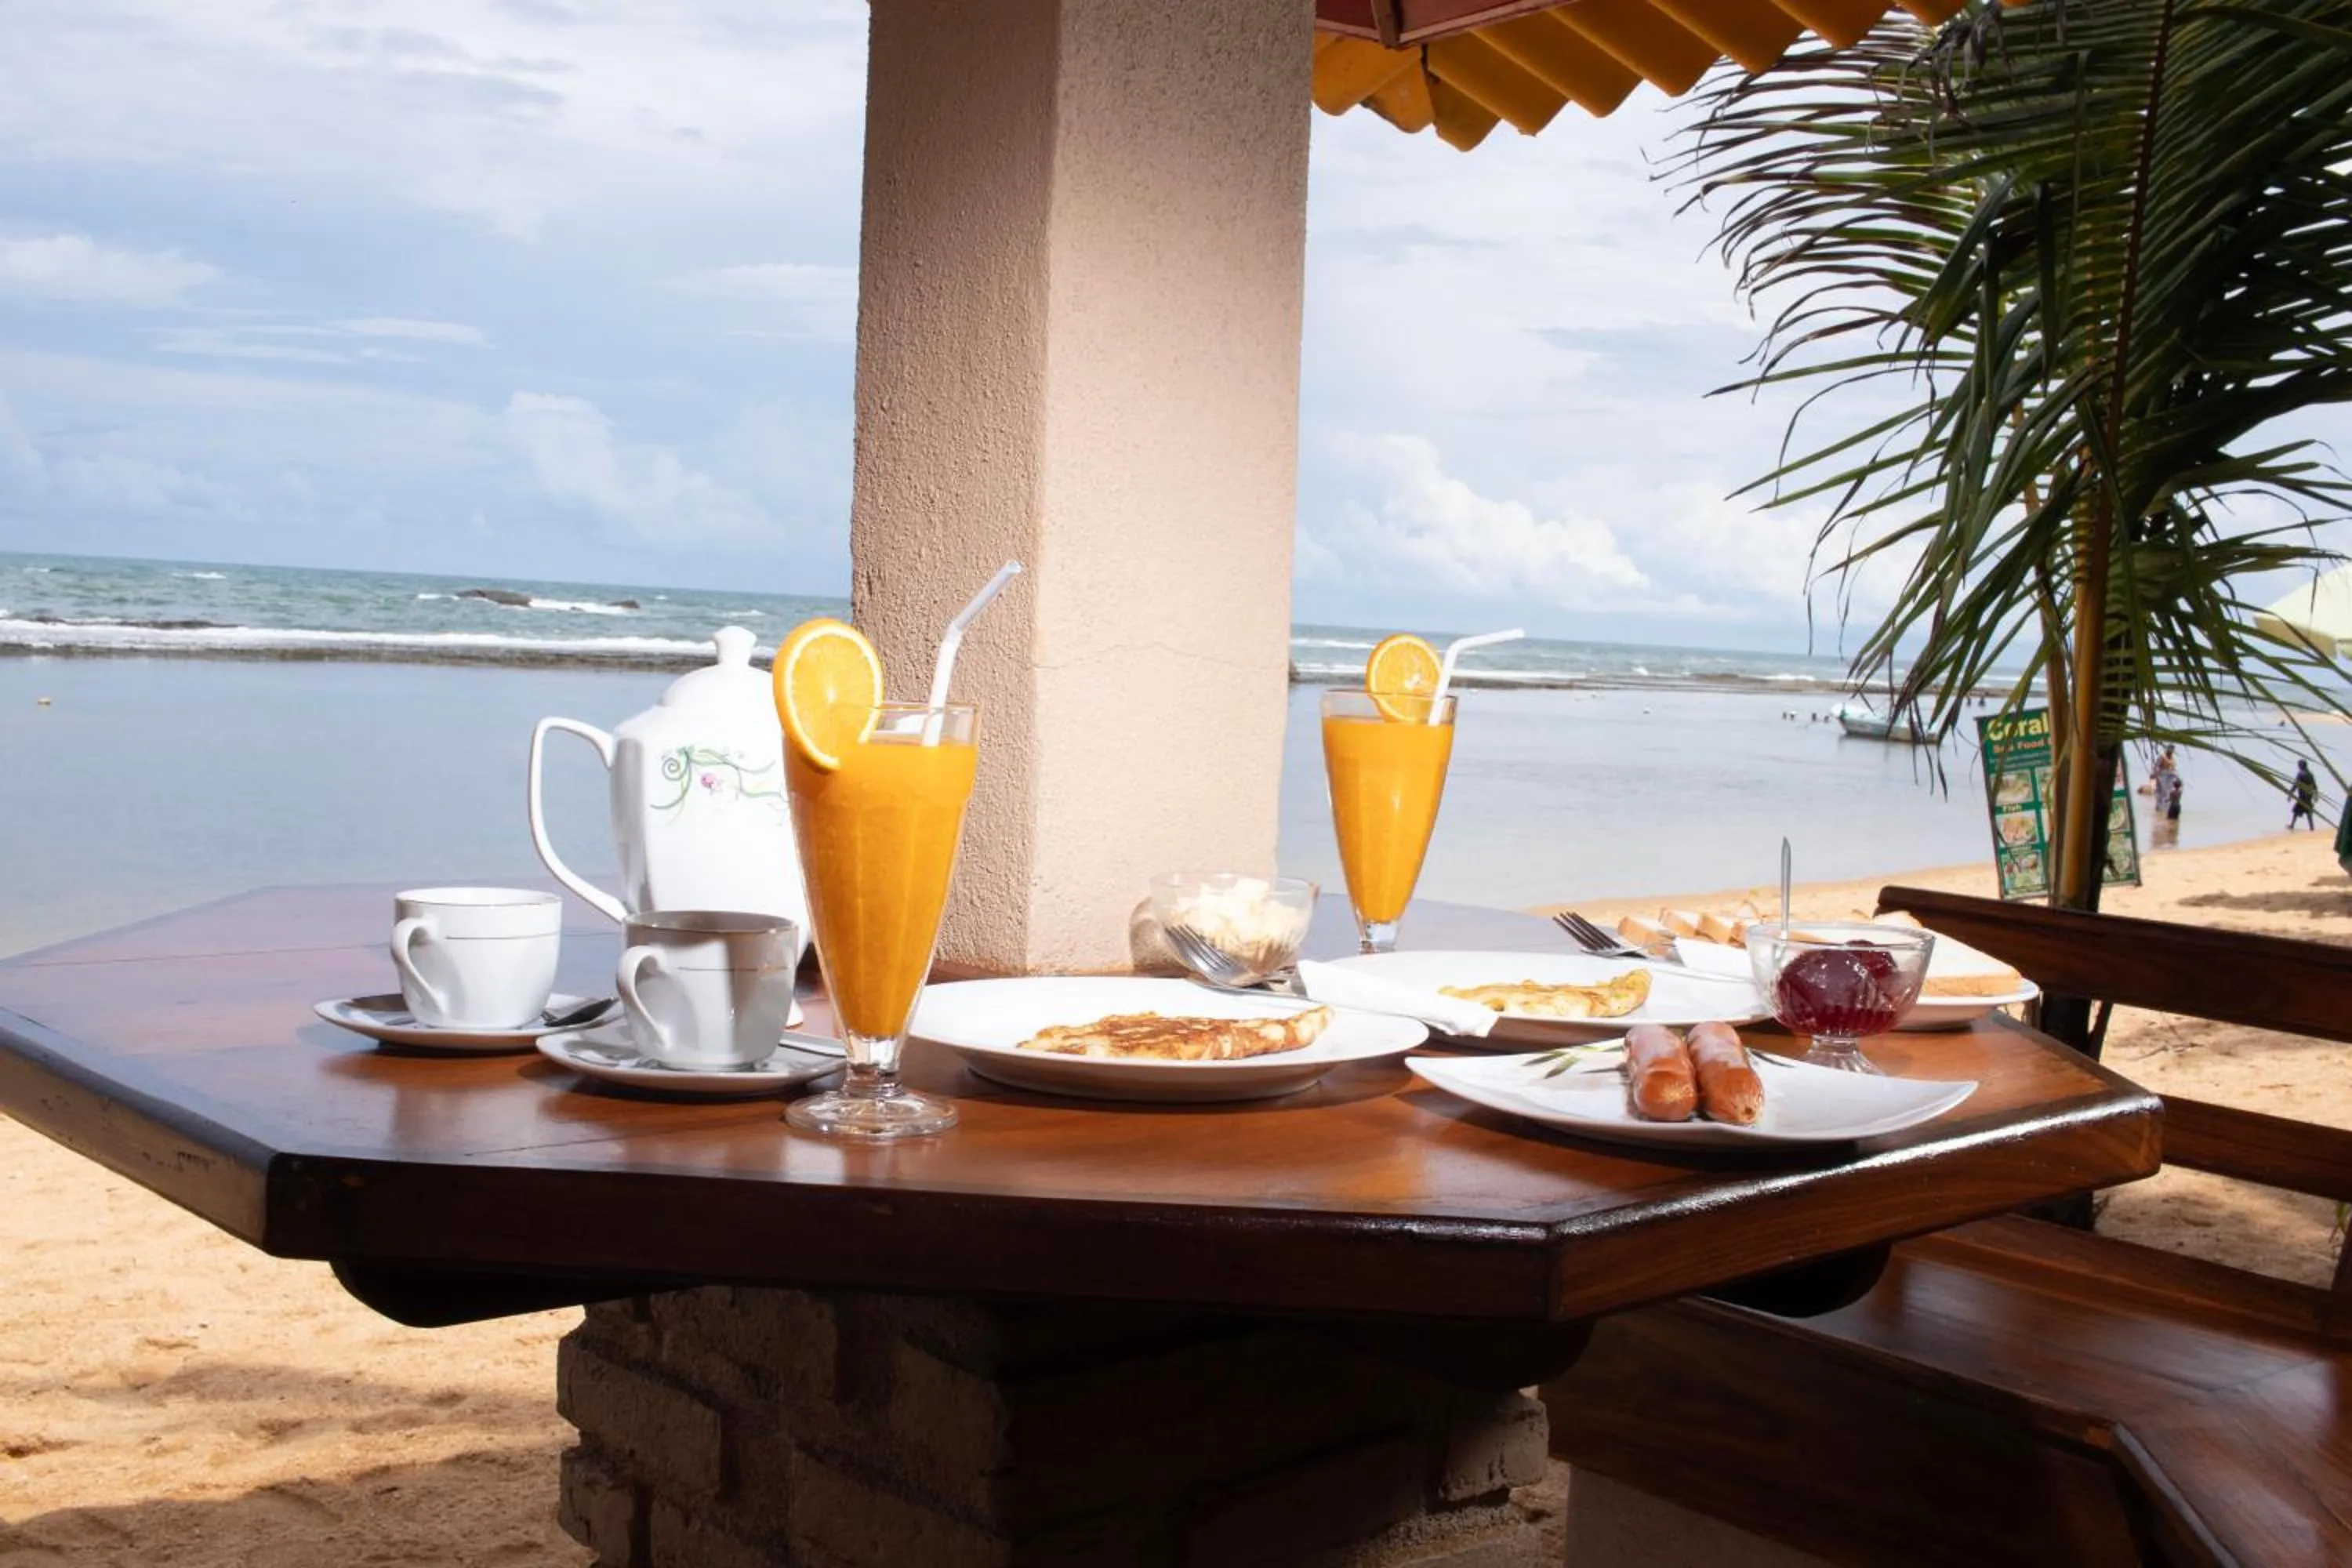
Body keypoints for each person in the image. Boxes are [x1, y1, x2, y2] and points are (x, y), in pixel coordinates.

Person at [2290, 760, 2320, 830]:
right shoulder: (2310, 774)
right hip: (2309, 796)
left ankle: (2292, 825)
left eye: (2299, 765)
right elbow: (2314, 786)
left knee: (2296, 811)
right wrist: (2316, 795)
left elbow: (2296, 785)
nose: (2298, 767)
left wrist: (2290, 794)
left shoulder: (2300, 774)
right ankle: (2311, 827)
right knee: (2308, 812)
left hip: (2302, 796)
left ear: (2301, 766)